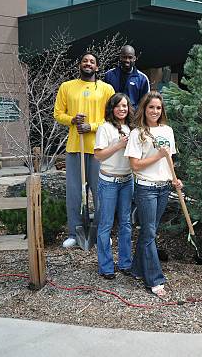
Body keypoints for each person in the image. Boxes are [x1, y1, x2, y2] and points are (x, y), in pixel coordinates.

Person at [54, 52, 115, 249]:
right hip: (75, 148)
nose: (88, 63)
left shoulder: (106, 89)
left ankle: (101, 232)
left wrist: (92, 126)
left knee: (100, 193)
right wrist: (71, 119)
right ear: (80, 65)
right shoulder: (67, 87)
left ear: (97, 67)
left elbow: (113, 116)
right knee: (75, 192)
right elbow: (58, 114)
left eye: (92, 61)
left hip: (99, 149)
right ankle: (75, 232)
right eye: (84, 60)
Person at [124, 91, 182, 299]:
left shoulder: (167, 131)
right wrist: (158, 154)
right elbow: (135, 165)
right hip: (146, 188)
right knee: (149, 233)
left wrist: (173, 178)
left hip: (164, 187)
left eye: (158, 108)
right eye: (151, 107)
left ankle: (137, 269)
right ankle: (155, 280)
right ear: (144, 109)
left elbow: (169, 161)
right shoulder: (137, 133)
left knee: (150, 231)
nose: (155, 111)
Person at [94, 93, 134, 280]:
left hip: (127, 181)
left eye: (125, 106)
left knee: (126, 223)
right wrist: (118, 145)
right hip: (109, 181)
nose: (122, 109)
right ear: (112, 108)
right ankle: (106, 266)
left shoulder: (131, 128)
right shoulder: (105, 128)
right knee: (106, 224)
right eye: (118, 106)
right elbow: (99, 155)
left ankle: (126, 263)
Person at [104, 45, 150, 110]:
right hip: (112, 117)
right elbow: (104, 98)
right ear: (120, 57)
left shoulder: (142, 79)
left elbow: (145, 102)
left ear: (134, 58)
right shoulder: (109, 75)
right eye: (124, 57)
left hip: (133, 118)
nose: (127, 60)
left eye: (130, 57)